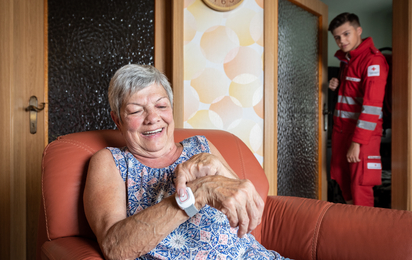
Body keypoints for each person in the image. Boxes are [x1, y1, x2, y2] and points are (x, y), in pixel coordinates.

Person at [83, 64, 287, 259]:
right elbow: (114, 248)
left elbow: (247, 210)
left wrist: (219, 167)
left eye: (161, 106)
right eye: (136, 111)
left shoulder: (201, 146)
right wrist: (196, 193)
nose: (153, 118)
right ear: (117, 119)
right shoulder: (111, 161)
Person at [328, 13, 389, 207]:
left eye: (346, 34)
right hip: (342, 131)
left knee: (360, 184)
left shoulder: (373, 61)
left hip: (363, 136)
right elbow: (353, 94)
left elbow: (372, 107)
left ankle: (365, 233)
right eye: (337, 37)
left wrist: (357, 142)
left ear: (359, 31)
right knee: (341, 177)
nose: (341, 41)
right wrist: (337, 83)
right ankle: (353, 225)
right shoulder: (347, 60)